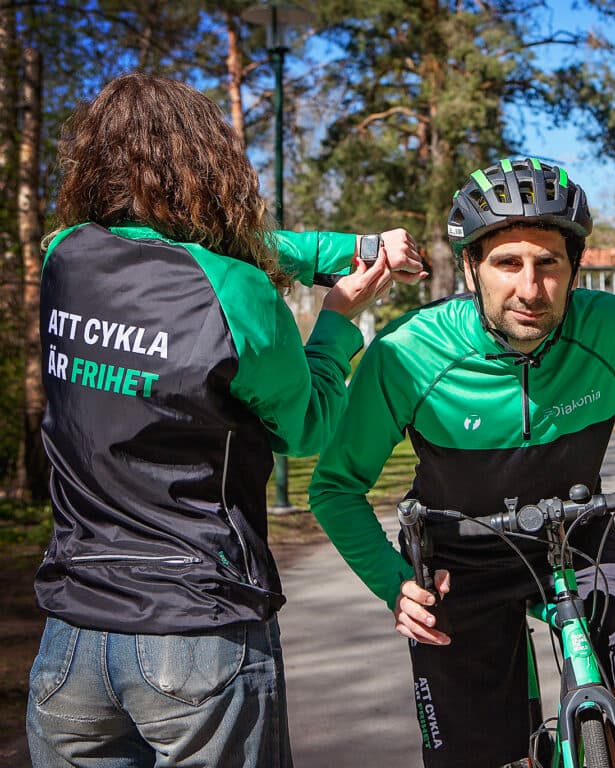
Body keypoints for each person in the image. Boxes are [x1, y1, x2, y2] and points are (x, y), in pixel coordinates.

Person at [27, 73, 425, 768]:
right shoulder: (236, 291)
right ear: (206, 165)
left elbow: (230, 247)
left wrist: (347, 246)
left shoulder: (63, 254)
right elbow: (309, 428)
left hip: (69, 642)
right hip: (197, 633)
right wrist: (336, 322)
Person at [309, 156, 615, 767]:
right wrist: (394, 584)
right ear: (471, 267)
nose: (530, 288)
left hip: (581, 538)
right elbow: (335, 488)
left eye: (549, 264)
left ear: (573, 269)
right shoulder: (407, 354)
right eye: (507, 263)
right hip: (457, 559)